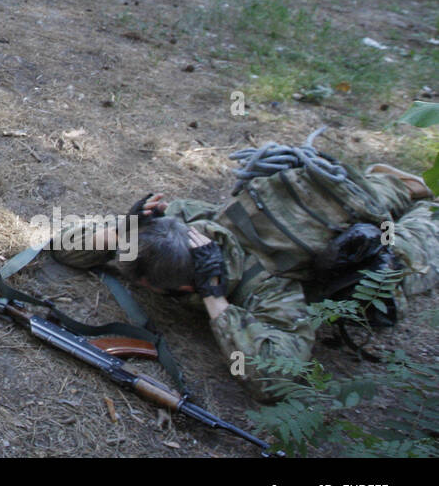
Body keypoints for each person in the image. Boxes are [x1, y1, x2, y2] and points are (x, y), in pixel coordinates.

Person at [49, 158, 439, 402]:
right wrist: (125, 228)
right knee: (371, 193)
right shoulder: (179, 221)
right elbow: (62, 247)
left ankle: (414, 198)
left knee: (415, 249)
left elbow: (270, 382)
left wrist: (217, 300)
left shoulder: (271, 289)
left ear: (184, 290)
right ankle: (392, 185)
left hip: (346, 247)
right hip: (301, 226)